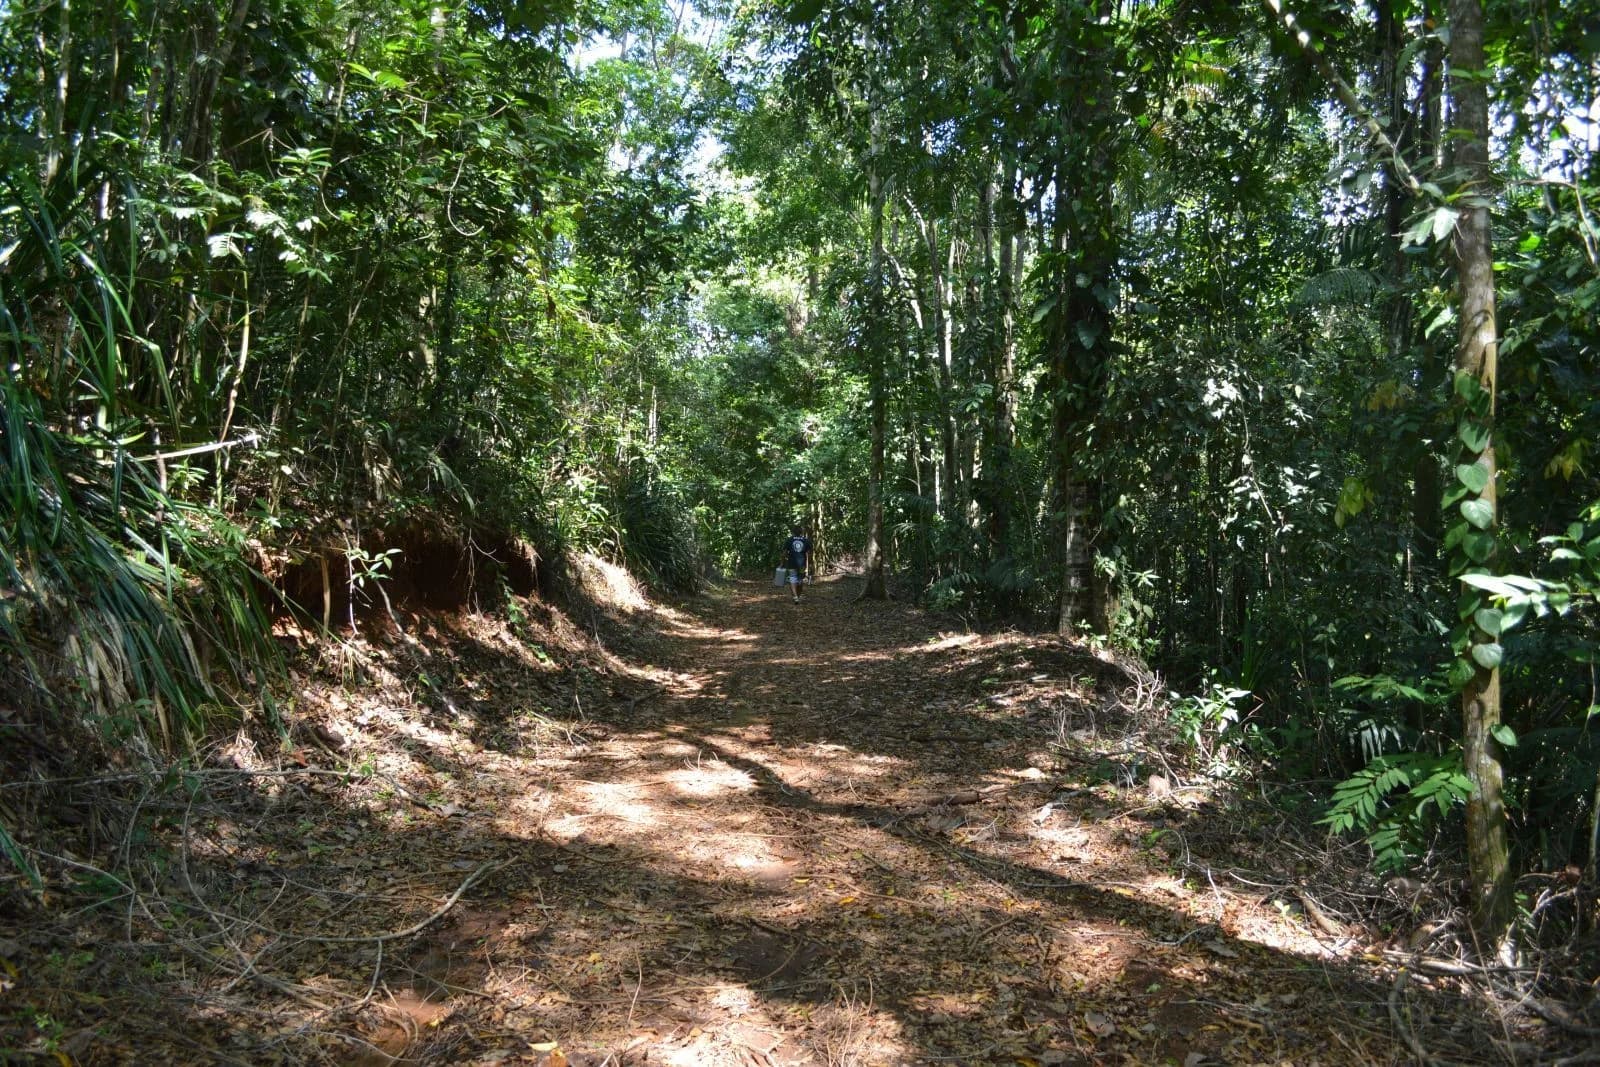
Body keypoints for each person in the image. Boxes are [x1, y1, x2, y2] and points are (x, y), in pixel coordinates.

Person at [781, 525, 812, 603]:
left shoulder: (789, 540)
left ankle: (795, 597)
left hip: (791, 563)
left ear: (793, 532)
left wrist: (782, 563)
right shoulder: (806, 540)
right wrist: (810, 564)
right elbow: (809, 554)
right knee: (800, 579)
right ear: (801, 532)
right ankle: (797, 596)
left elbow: (784, 553)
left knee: (793, 578)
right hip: (802, 564)